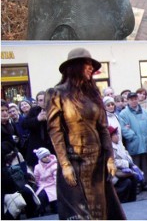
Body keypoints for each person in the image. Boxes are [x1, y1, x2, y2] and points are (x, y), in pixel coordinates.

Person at [45, 48, 125, 219]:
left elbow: (103, 128)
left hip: (97, 162)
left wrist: (110, 157)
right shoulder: (57, 93)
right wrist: (65, 164)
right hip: (74, 162)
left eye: (91, 65)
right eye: (86, 64)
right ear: (74, 66)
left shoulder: (93, 93)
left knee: (101, 212)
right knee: (80, 213)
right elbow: (55, 131)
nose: (91, 68)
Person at [119, 89, 147, 192]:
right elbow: (124, 128)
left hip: (145, 142)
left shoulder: (145, 112)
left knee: (145, 165)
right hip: (134, 143)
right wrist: (133, 136)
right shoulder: (123, 114)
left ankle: (145, 183)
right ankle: (137, 185)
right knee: (135, 166)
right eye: (131, 99)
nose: (134, 101)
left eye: (135, 99)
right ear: (128, 101)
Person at [109, 126, 141, 204]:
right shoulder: (109, 148)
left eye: (117, 133)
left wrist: (132, 164)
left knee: (134, 178)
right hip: (115, 173)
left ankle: (132, 201)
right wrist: (127, 164)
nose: (117, 136)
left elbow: (126, 155)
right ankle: (124, 202)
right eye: (115, 134)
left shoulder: (119, 144)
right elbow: (113, 162)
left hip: (124, 169)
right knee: (127, 182)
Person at [22, 92, 54, 169]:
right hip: (37, 147)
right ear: (37, 102)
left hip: (51, 147)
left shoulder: (54, 110)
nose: (43, 102)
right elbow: (24, 124)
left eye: (44, 99)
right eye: (40, 100)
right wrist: (37, 119)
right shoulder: (34, 111)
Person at [32, 147, 58, 215]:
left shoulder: (54, 165)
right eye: (44, 157)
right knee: (41, 196)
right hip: (42, 186)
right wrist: (37, 184)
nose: (47, 157)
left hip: (52, 185)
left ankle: (54, 207)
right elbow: (36, 177)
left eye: (48, 155)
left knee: (54, 198)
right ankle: (40, 210)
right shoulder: (37, 167)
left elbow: (56, 177)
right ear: (41, 158)